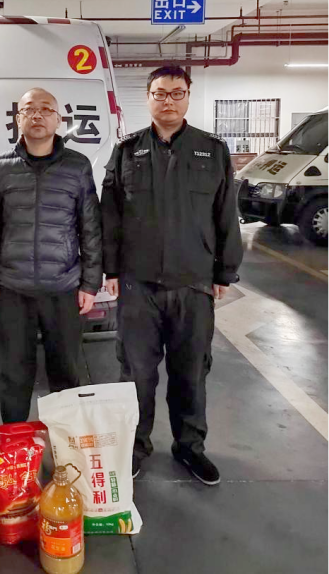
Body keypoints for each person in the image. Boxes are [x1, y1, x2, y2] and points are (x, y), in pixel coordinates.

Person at [101, 66, 243, 486]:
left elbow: (226, 214)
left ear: (187, 97)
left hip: (193, 282)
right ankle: (134, 447)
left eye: (176, 93)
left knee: (191, 372)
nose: (168, 101)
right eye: (160, 93)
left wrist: (225, 271)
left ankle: (190, 447)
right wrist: (110, 269)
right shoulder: (127, 151)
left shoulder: (212, 150)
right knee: (136, 375)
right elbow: (110, 215)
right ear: (148, 98)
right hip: (137, 284)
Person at [0, 88, 102, 424]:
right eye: (28, 109)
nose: (37, 115)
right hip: (13, 289)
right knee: (14, 374)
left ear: (58, 120)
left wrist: (90, 283)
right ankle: (16, 445)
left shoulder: (77, 166)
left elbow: (90, 227)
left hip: (63, 288)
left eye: (46, 109)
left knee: (66, 373)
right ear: (17, 119)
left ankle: (66, 445)